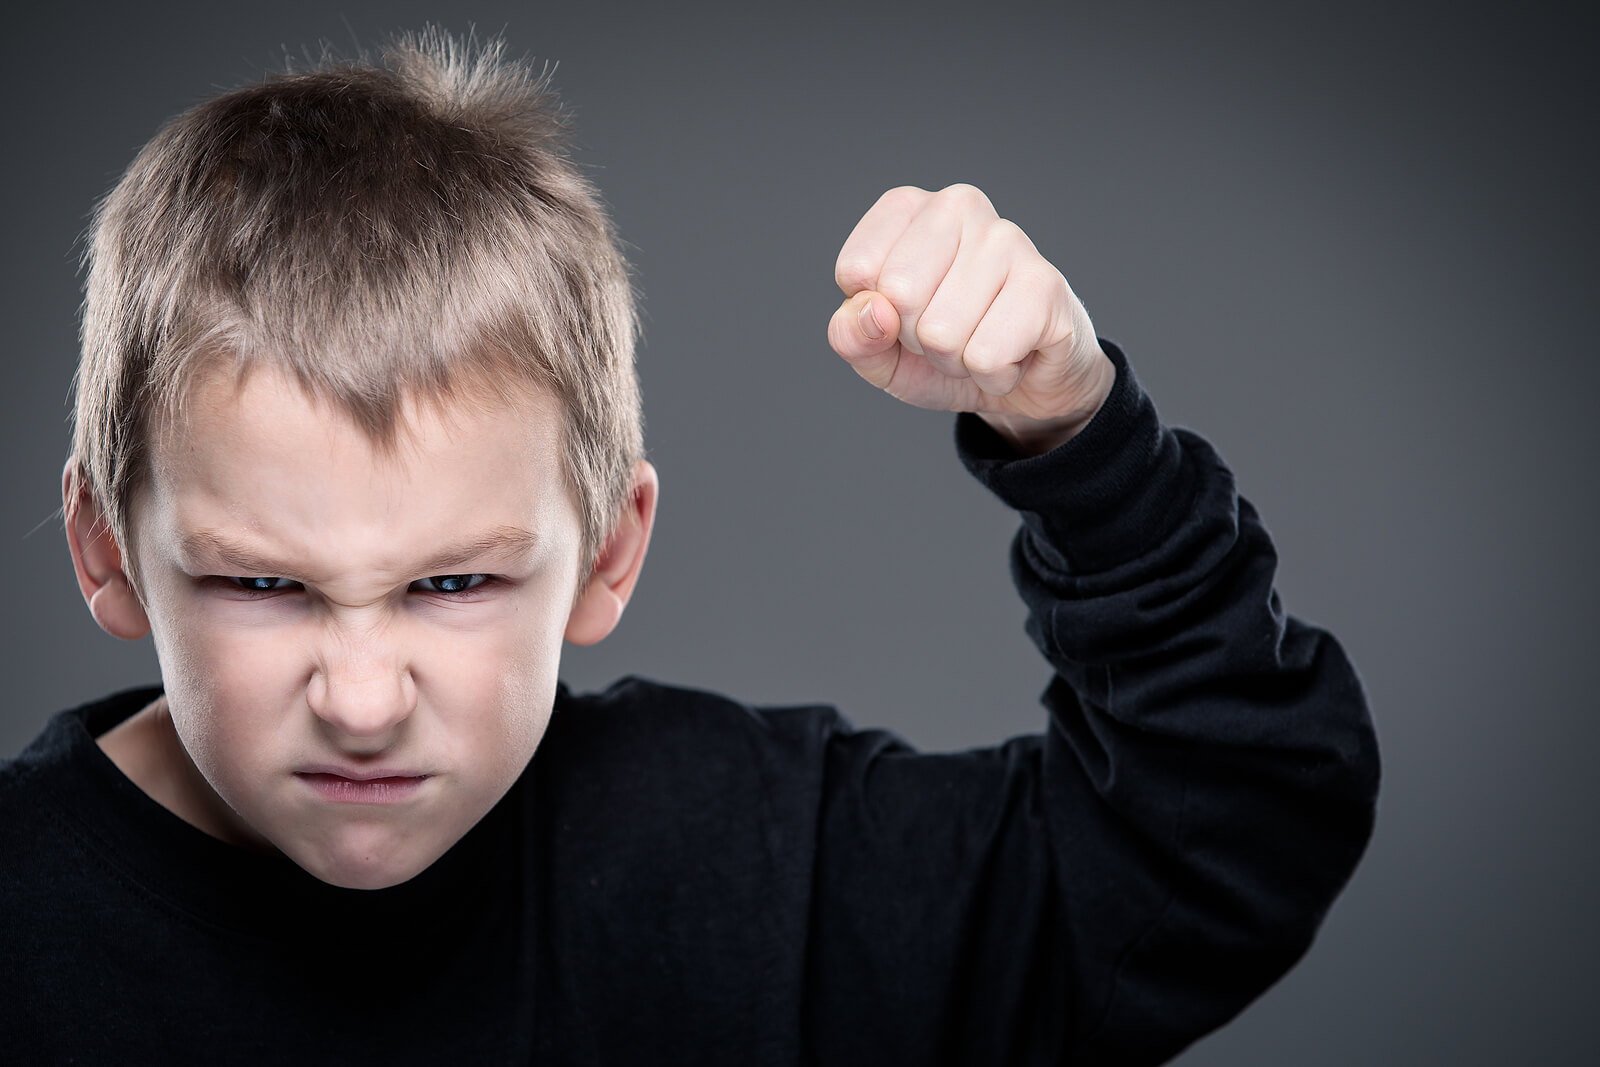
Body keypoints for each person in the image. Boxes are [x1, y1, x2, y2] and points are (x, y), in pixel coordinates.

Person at [0, 28, 1378, 1065]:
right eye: (261, 585)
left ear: (609, 555)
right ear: (107, 553)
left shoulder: (748, 866)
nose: (362, 702)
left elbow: (1224, 847)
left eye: (455, 582)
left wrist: (1077, 434)